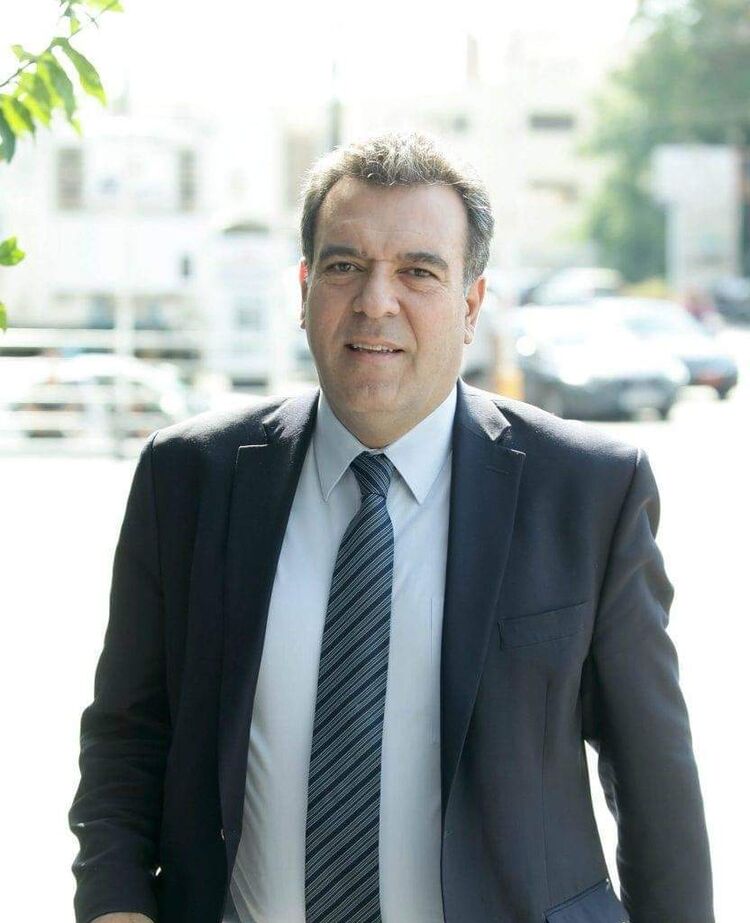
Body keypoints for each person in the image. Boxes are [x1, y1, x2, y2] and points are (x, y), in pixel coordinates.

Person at [69, 132, 713, 923]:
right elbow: (128, 736)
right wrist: (116, 906)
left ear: (470, 305)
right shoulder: (189, 477)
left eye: (418, 271)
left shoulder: (588, 491)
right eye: (344, 266)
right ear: (303, 288)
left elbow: (654, 783)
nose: (376, 301)